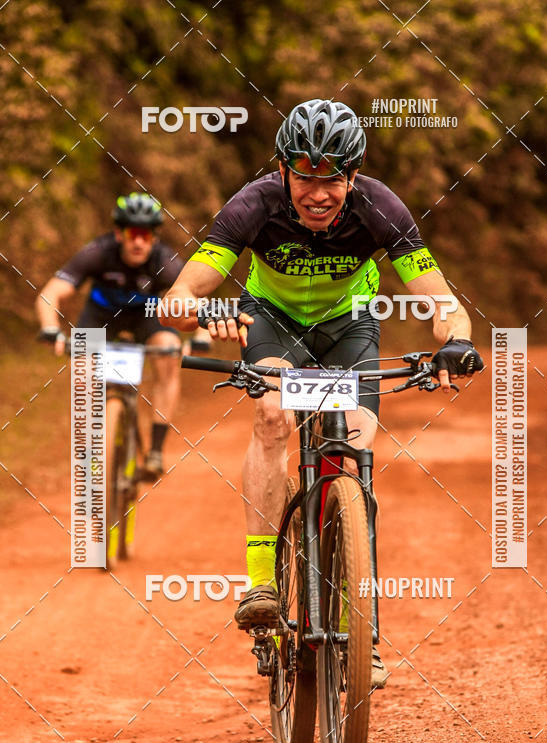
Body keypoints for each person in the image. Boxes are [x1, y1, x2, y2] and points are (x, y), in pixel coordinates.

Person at [159, 99, 484, 687]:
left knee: (355, 458)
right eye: (305, 175)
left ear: (352, 175)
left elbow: (443, 302)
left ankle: (360, 629)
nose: (317, 192)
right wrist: (204, 310)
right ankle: (261, 578)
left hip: (351, 328)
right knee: (273, 415)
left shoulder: (380, 207)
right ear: (284, 169)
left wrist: (455, 343)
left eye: (331, 177)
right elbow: (178, 298)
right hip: (272, 320)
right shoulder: (253, 205)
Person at [35, 191, 209, 477]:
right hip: (100, 317)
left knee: (168, 352)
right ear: (119, 234)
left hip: (147, 316)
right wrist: (51, 329)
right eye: (132, 233)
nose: (139, 241)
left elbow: (194, 299)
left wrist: (202, 336)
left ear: (154, 237)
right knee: (83, 370)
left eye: (146, 234)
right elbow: (50, 294)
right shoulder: (97, 252)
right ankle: (89, 450)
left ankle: (154, 450)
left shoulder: (165, 260)